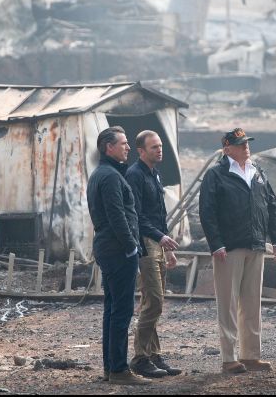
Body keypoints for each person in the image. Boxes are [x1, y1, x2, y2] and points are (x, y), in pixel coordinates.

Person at [199, 128, 276, 374]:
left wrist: (274, 240)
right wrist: (216, 244)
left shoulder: (258, 173)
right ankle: (229, 358)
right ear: (227, 148)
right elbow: (207, 211)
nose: (246, 147)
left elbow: (271, 206)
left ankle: (251, 355)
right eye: (240, 144)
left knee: (252, 302)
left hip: (255, 244)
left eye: (246, 143)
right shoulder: (216, 175)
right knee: (229, 303)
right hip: (229, 247)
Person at [86, 126, 149, 386]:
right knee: (121, 311)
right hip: (117, 249)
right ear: (108, 148)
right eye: (123, 143)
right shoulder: (110, 176)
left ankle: (111, 367)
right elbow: (116, 215)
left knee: (112, 310)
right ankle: (120, 370)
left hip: (109, 247)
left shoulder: (103, 173)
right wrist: (131, 246)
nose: (128, 147)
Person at [126, 130, 182, 378]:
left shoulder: (154, 174)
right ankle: (140, 358)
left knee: (154, 303)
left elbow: (159, 213)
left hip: (158, 242)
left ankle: (153, 354)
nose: (160, 150)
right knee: (154, 302)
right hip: (145, 243)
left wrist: (167, 246)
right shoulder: (135, 175)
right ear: (141, 151)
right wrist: (159, 238)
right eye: (154, 147)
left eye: (160, 146)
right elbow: (137, 216)